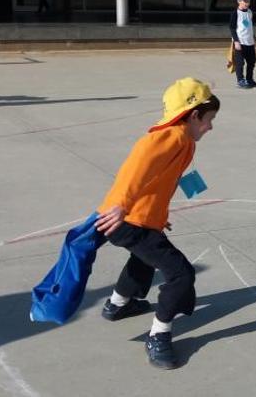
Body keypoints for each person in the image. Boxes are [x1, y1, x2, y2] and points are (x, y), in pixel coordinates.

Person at [95, 78, 220, 369]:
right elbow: (135, 170)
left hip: (141, 219)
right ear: (193, 115)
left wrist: (159, 217)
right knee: (181, 274)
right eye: (209, 120)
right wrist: (121, 206)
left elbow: (164, 181)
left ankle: (117, 304)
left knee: (144, 260)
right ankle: (159, 335)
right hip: (127, 220)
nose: (211, 127)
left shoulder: (185, 140)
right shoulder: (169, 138)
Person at [229, 0, 256, 88]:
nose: (247, 3)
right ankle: (240, 80)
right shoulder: (236, 13)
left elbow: (249, 26)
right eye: (244, 1)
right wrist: (236, 41)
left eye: (248, 1)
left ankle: (249, 79)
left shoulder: (250, 12)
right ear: (239, 1)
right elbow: (232, 28)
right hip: (240, 42)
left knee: (252, 61)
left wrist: (253, 38)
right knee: (240, 62)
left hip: (250, 42)